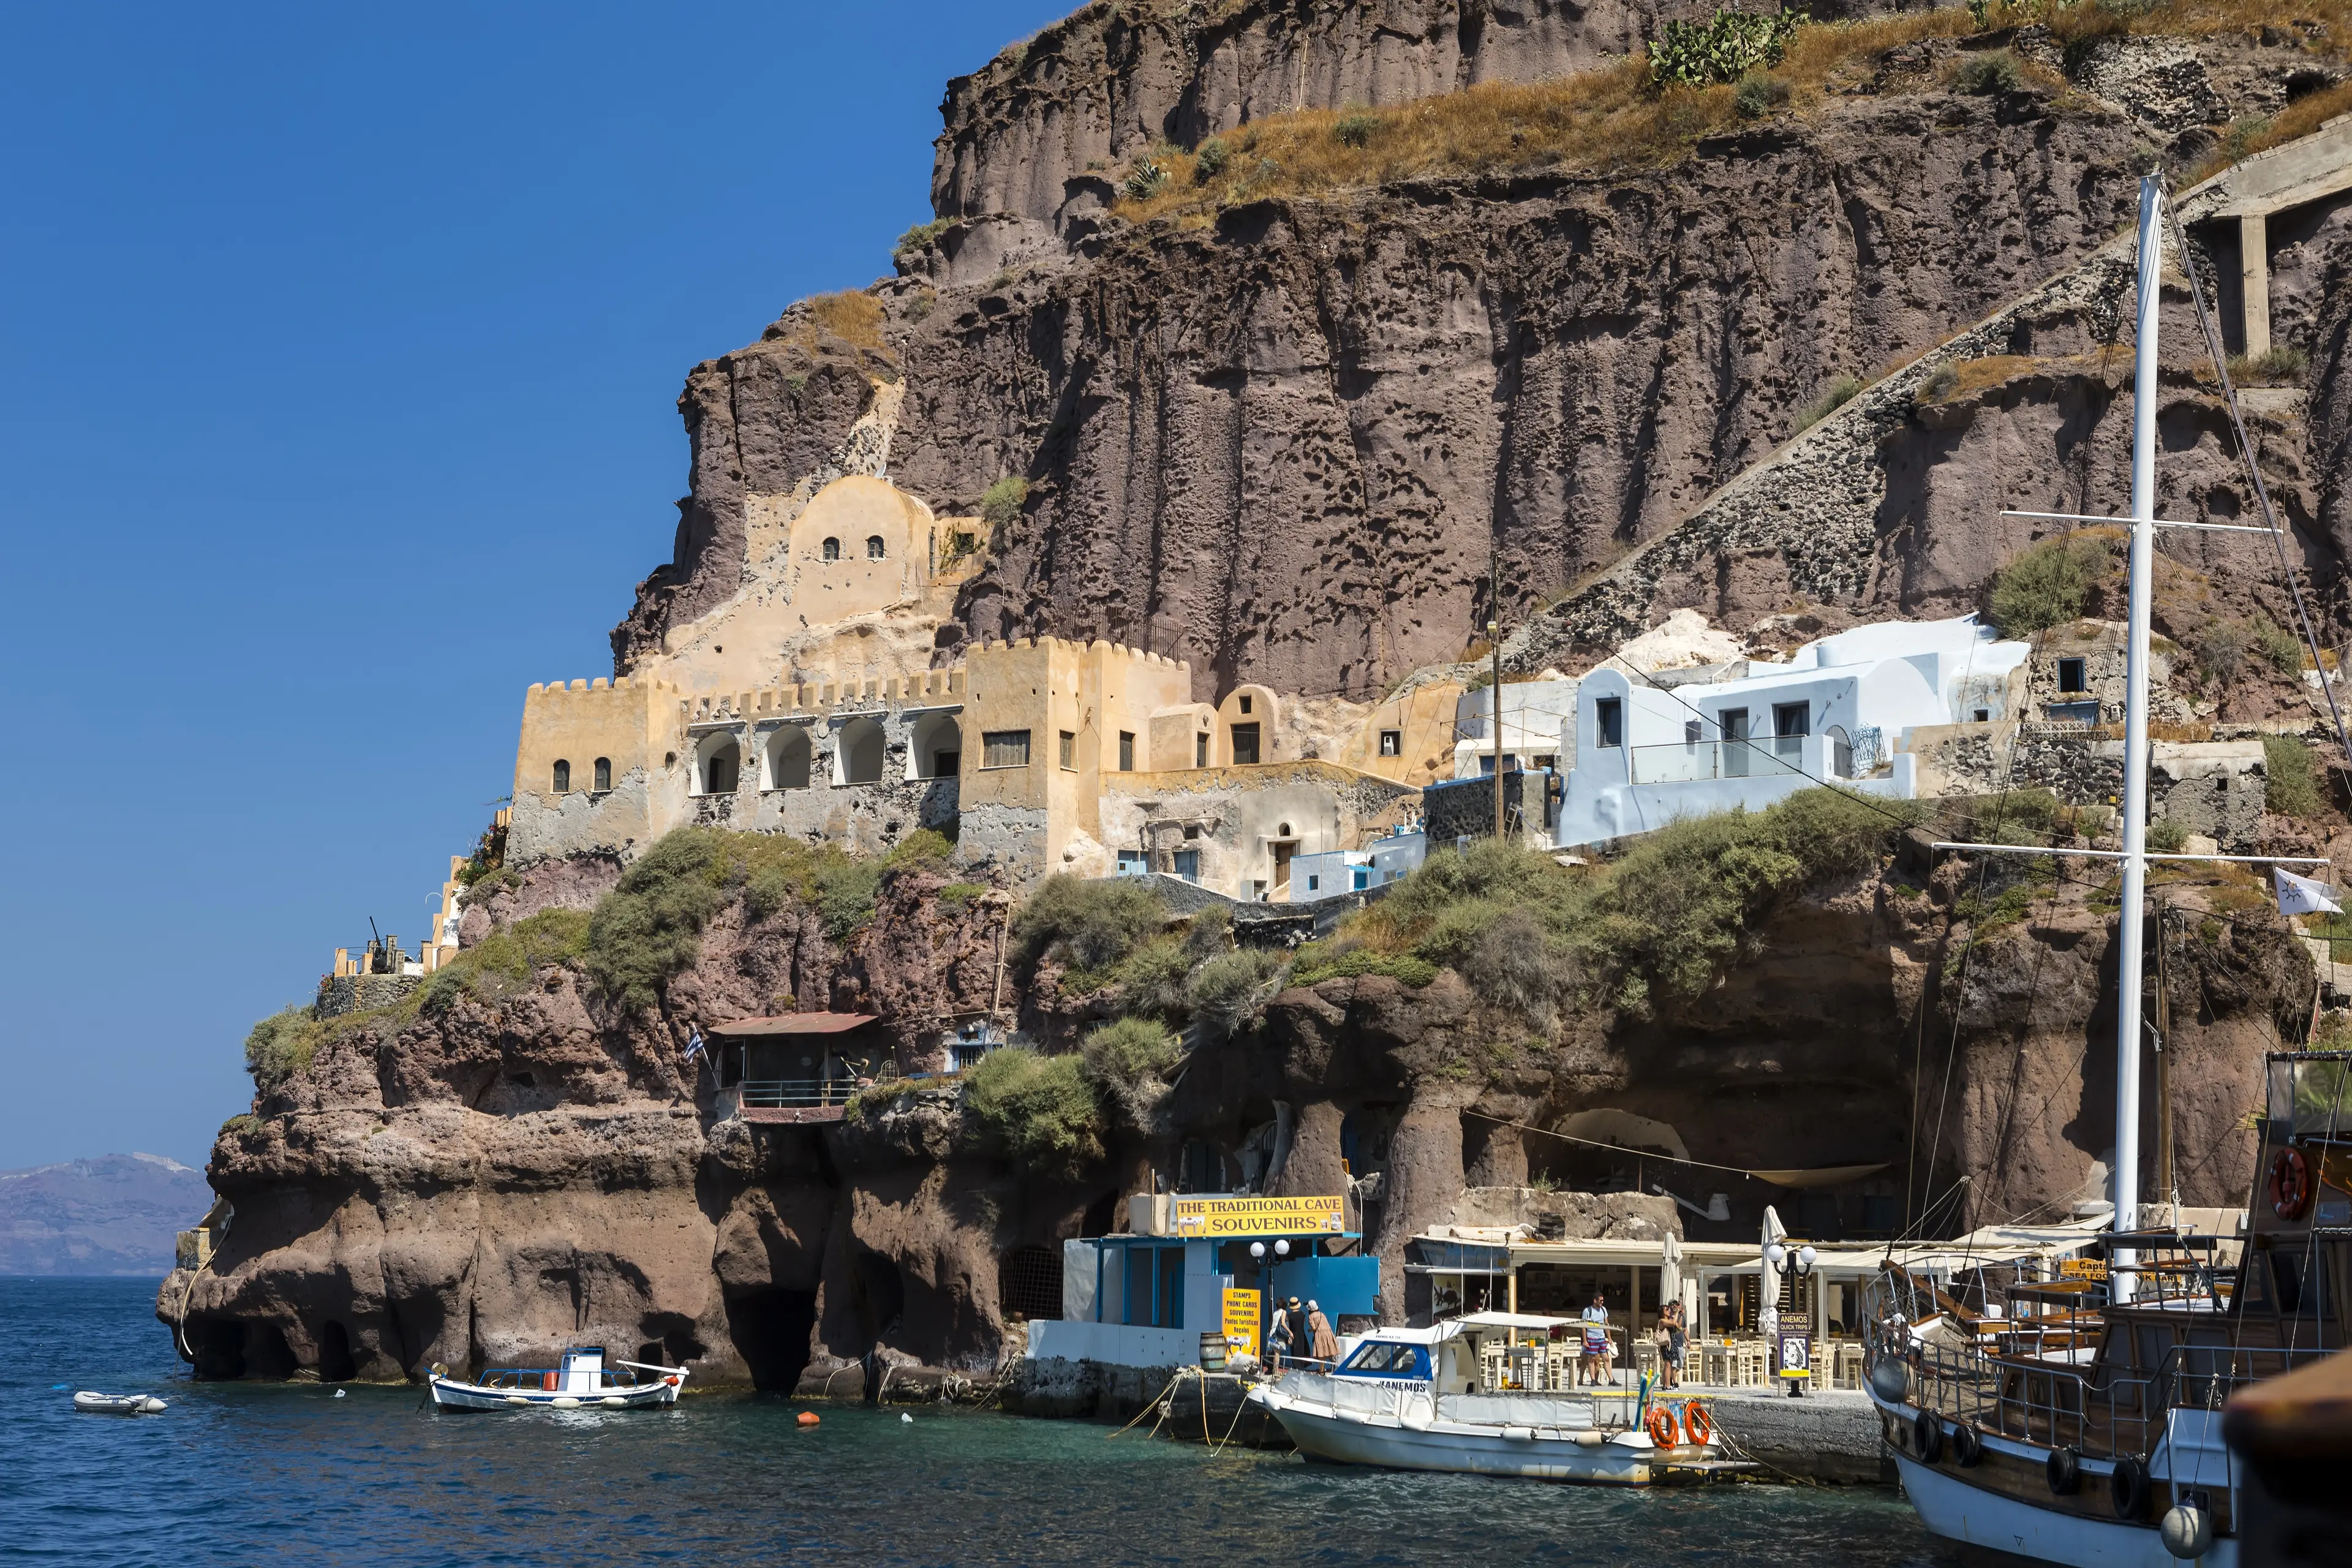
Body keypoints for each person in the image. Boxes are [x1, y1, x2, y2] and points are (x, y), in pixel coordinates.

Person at [1579, 1290, 1611, 1387]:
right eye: (1600, 1301)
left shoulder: (1603, 1310)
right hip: (1591, 1337)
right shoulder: (1588, 1311)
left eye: (1603, 1301)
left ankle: (1611, 1379)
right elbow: (1583, 1326)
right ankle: (1593, 1380)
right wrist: (1585, 1340)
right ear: (1595, 1301)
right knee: (1591, 1359)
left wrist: (1609, 1337)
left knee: (1606, 1358)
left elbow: (1606, 1324)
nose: (1602, 1302)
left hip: (1601, 1337)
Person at [1657, 1298, 1687, 1390]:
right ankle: (1667, 1386)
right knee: (1668, 1365)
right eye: (1667, 1309)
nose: (1669, 1310)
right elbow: (1674, 1323)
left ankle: (1664, 1385)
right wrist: (1677, 1312)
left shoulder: (1669, 1319)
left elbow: (1678, 1327)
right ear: (1662, 1312)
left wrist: (1681, 1315)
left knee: (1668, 1365)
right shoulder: (1662, 1321)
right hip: (1666, 1345)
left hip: (1671, 1345)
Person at [1266, 1295, 1299, 1373]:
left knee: (1275, 1353)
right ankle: (1276, 1371)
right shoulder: (1283, 1312)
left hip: (1272, 1334)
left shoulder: (1275, 1313)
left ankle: (1274, 1369)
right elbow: (1283, 1324)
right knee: (1277, 1353)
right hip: (1278, 1336)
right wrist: (1290, 1332)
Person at [1306, 1300, 1338, 1366]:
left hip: (1320, 1335)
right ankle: (1335, 1367)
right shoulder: (1322, 1314)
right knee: (1330, 1351)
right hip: (1329, 1333)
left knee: (1322, 1354)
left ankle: (1321, 1371)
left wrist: (1309, 1330)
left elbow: (1314, 1328)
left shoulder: (1311, 1317)